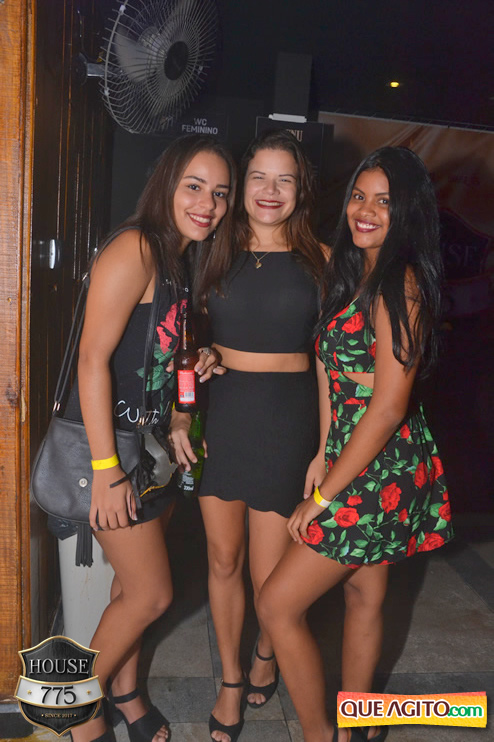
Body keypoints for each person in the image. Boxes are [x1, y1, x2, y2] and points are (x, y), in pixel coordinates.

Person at [257, 146, 454, 742]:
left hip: (382, 463)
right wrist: (323, 451)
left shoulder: (403, 283)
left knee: (276, 604)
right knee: (364, 594)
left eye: (384, 201)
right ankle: (357, 725)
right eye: (359, 197)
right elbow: (330, 367)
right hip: (352, 451)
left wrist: (323, 497)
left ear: (408, 210)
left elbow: (389, 405)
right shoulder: (352, 272)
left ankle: (323, 734)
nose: (365, 211)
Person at [68, 134, 235, 742]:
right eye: (194, 186)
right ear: (166, 184)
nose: (207, 204)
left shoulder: (178, 260)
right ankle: (75, 711)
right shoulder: (136, 246)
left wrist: (196, 370)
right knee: (151, 594)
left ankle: (127, 694)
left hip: (152, 451)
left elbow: (160, 355)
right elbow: (92, 360)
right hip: (114, 450)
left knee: (126, 588)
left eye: (220, 193)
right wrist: (106, 469)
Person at [170, 128, 326, 742]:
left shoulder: (324, 260)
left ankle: (266, 649)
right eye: (258, 176)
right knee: (222, 558)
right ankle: (232, 680)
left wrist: (326, 449)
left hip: (286, 424)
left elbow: (332, 362)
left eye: (285, 179)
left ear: (301, 190)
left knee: (269, 578)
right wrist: (202, 365)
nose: (270, 190)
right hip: (225, 415)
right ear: (241, 186)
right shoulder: (212, 250)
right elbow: (189, 334)